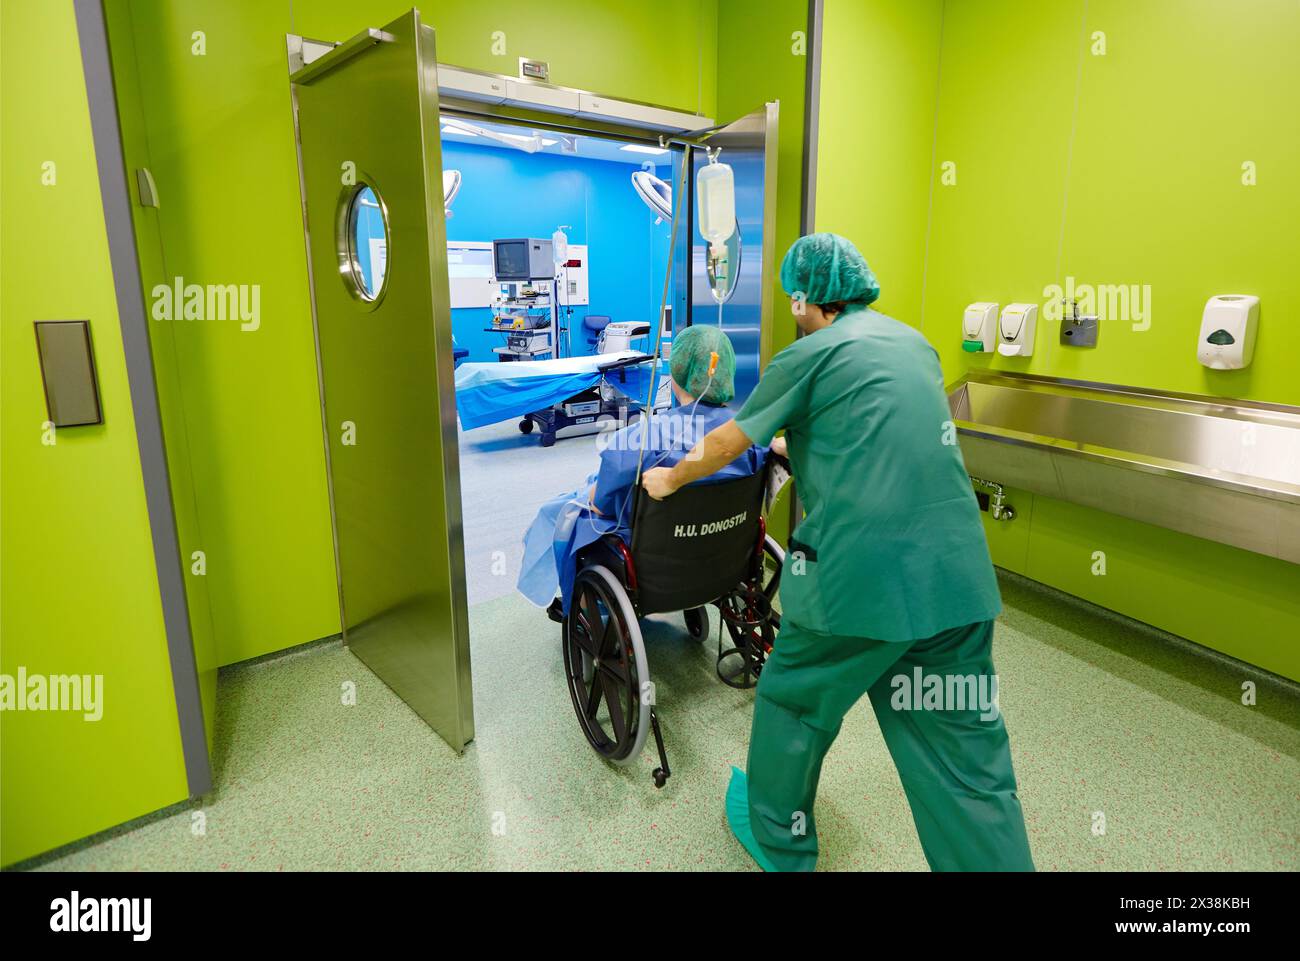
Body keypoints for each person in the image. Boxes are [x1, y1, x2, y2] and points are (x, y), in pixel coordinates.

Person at [642, 233, 1034, 872]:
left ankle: (778, 837)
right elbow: (883, 438)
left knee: (794, 707)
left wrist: (668, 480)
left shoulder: (807, 356)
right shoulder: (914, 344)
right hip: (955, 580)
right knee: (966, 762)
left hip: (857, 586)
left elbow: (719, 446)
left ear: (806, 300)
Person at [518, 325, 766, 620]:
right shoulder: (750, 436)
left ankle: (582, 606)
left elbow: (603, 505)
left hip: (650, 552)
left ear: (676, 374)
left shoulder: (642, 438)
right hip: (721, 552)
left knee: (561, 513)